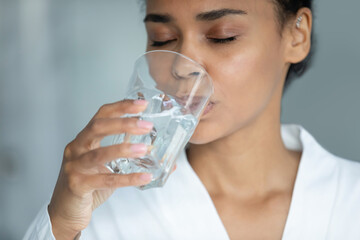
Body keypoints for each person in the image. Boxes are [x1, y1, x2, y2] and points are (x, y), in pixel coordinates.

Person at [24, 0, 360, 239]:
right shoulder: (94, 214)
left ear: (296, 35)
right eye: (163, 39)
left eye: (222, 36)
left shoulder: (351, 201)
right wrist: (62, 228)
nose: (182, 65)